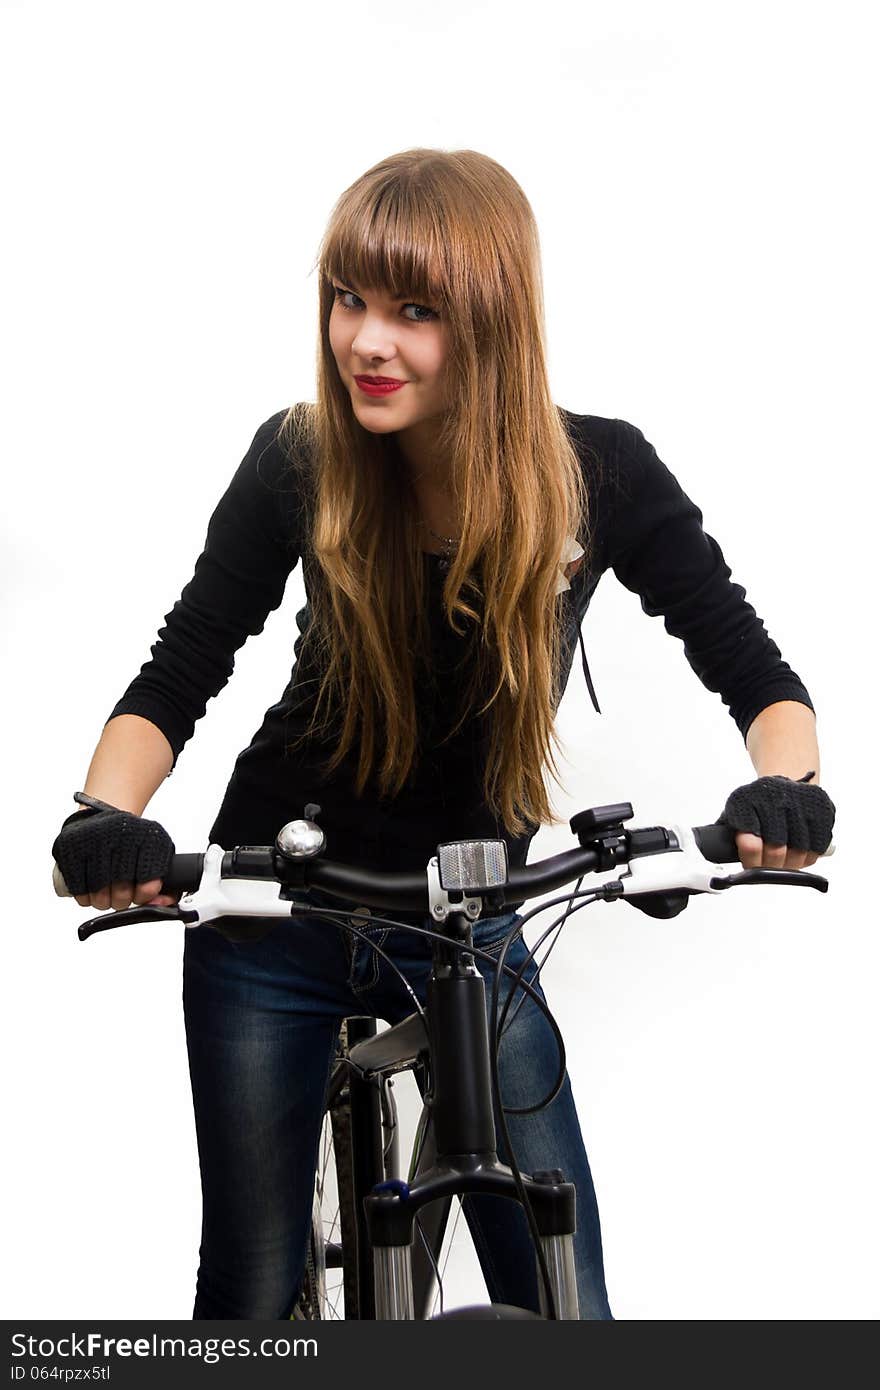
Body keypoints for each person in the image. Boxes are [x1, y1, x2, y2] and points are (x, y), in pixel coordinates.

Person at [52, 148, 835, 1321]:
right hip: (280, 909)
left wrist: (783, 791)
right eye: (349, 298)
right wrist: (104, 817)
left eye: (414, 310)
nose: (367, 340)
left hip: (468, 924)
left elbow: (756, 674)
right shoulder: (299, 458)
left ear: (490, 321)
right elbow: (180, 670)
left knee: (569, 1303)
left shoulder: (597, 470)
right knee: (250, 1303)